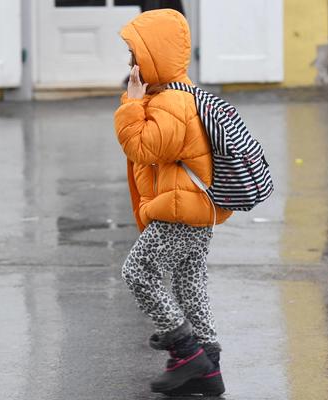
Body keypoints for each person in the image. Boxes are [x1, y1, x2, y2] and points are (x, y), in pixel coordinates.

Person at [113, 9, 232, 396]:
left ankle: (186, 351)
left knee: (139, 272)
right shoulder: (172, 95)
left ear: (154, 56)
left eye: (136, 53)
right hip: (195, 208)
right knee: (188, 281)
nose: (131, 62)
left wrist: (131, 104)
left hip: (180, 209)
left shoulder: (173, 103)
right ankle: (208, 370)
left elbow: (143, 147)